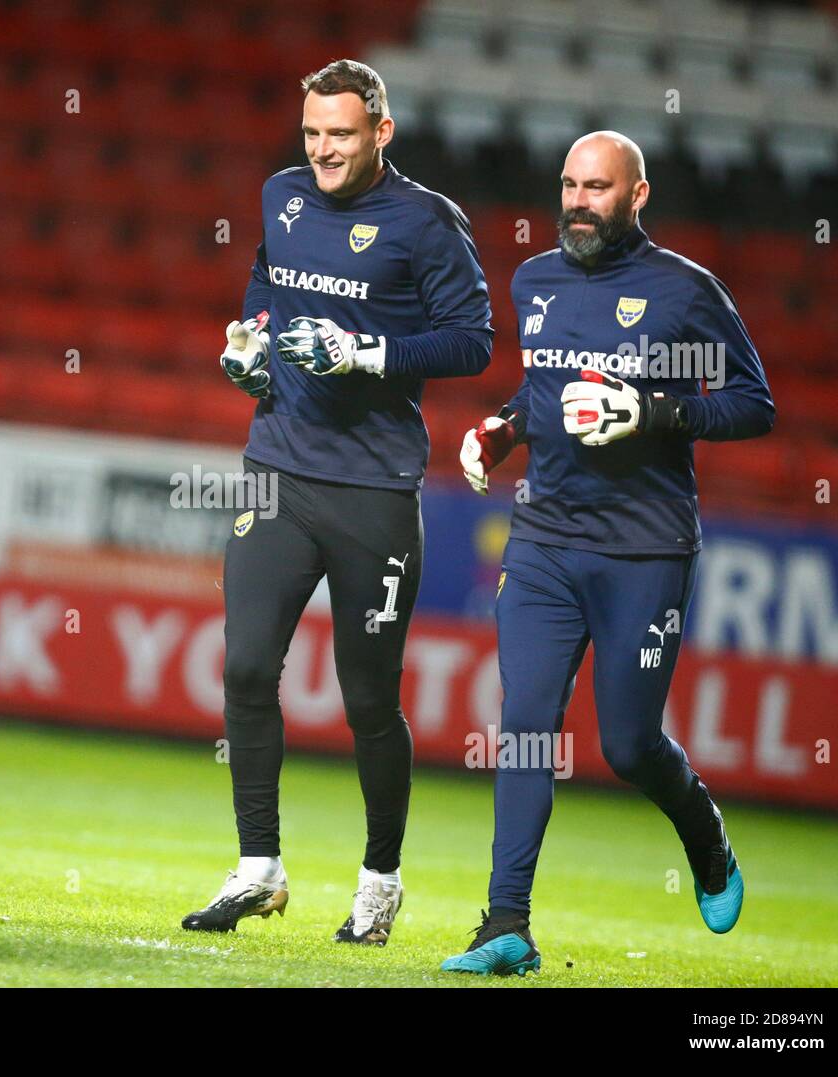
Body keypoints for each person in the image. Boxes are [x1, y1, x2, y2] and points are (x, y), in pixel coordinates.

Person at [182, 59, 493, 944]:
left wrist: (364, 353)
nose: (321, 150)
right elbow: (264, 290)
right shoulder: (281, 196)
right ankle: (258, 868)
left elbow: (471, 340)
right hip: (277, 466)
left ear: (381, 133)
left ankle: (381, 879)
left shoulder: (428, 222)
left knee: (367, 700)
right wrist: (249, 343)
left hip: (375, 490)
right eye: (313, 133)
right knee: (245, 667)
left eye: (341, 136)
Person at [447, 131, 773, 974]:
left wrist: (653, 413)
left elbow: (751, 403)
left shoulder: (684, 293)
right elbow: (543, 388)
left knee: (629, 745)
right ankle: (506, 925)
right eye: (569, 185)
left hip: (644, 549)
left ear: (637, 197)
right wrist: (503, 429)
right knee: (525, 729)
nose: (578, 202)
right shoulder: (536, 280)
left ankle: (706, 840)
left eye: (597, 188)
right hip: (546, 541)